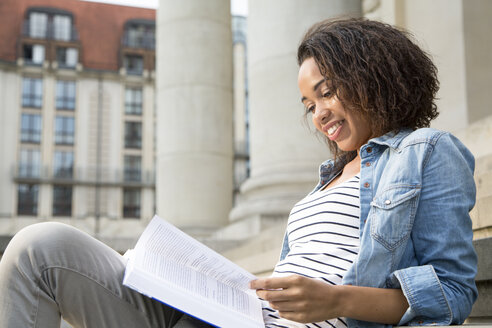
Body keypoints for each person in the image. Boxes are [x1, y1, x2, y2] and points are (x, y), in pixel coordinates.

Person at [0, 18, 477, 328]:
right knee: (39, 248)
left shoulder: (426, 152)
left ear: (373, 75)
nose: (319, 116)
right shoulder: (323, 180)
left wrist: (337, 301)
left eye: (327, 92)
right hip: (226, 319)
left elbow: (454, 293)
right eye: (310, 105)